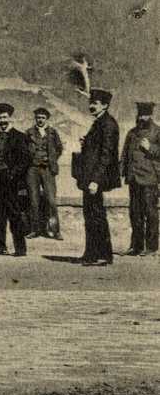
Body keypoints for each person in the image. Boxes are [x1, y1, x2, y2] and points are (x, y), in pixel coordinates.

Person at [73, 88, 121, 266]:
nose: (91, 106)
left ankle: (102, 255)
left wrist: (96, 180)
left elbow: (107, 155)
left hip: (95, 178)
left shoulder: (108, 124)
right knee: (91, 215)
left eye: (95, 103)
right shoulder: (100, 122)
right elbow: (97, 149)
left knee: (96, 216)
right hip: (90, 177)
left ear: (105, 105)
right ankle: (92, 253)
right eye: (90, 102)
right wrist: (86, 143)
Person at [0, 103, 30, 257]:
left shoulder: (19, 136)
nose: (2, 121)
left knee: (14, 214)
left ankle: (20, 248)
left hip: (11, 181)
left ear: (10, 118)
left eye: (5, 117)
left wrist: (12, 175)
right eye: (0, 118)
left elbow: (25, 160)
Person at [120, 100, 160, 256]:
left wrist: (151, 148)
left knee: (150, 213)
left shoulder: (157, 132)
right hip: (133, 178)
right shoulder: (132, 132)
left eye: (145, 114)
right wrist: (122, 172)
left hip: (150, 178)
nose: (142, 117)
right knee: (135, 213)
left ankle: (151, 247)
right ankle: (136, 246)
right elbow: (125, 154)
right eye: (140, 114)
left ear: (150, 115)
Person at [24, 106, 63, 239]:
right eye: (38, 117)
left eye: (43, 118)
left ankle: (55, 231)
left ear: (47, 119)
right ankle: (34, 230)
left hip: (47, 169)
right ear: (35, 118)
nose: (40, 120)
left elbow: (59, 148)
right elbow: (24, 149)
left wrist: (51, 159)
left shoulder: (52, 132)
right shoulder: (29, 132)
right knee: (33, 200)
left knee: (51, 200)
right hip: (32, 169)